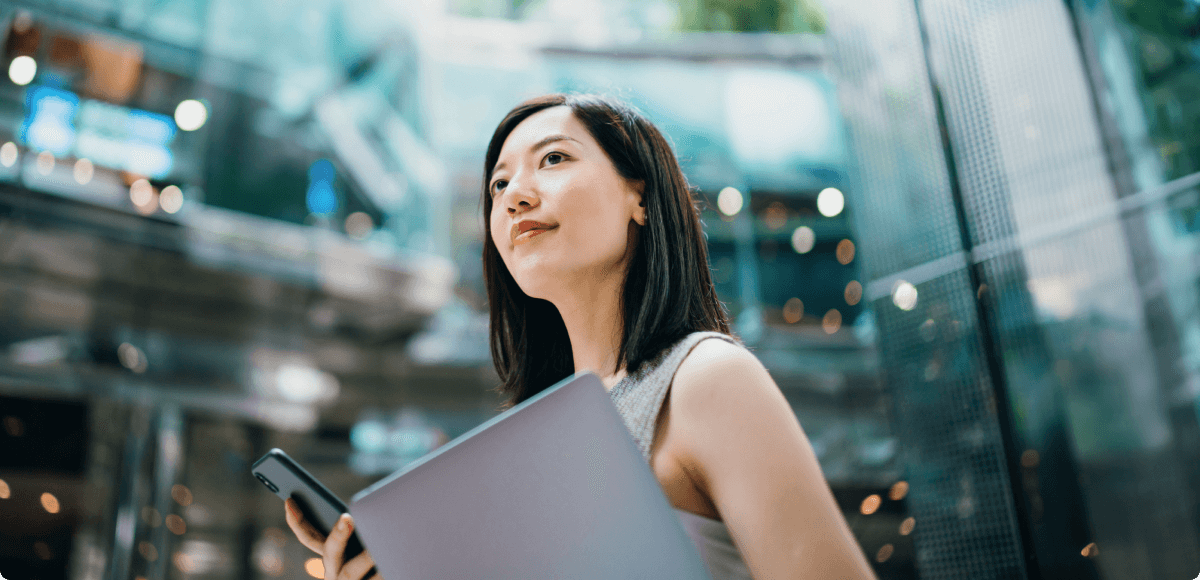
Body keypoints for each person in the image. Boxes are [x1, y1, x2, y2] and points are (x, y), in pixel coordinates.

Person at [284, 94, 877, 580]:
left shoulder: (705, 378)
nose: (514, 195)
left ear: (639, 196)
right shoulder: (534, 446)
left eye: (553, 160)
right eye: (497, 185)